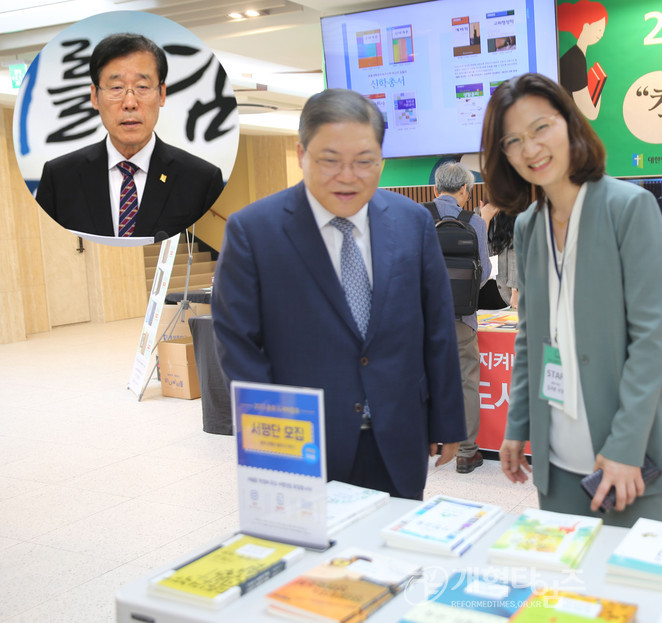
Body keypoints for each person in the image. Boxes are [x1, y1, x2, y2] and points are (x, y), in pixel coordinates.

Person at [212, 88, 466, 500]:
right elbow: (237, 345)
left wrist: (447, 420)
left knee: (391, 556)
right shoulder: (253, 231)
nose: (348, 176)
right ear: (302, 154)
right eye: (330, 160)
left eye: (364, 162)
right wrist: (274, 443)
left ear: (381, 161)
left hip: (398, 434)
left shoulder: (412, 223)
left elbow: (436, 327)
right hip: (304, 446)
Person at [480, 73, 662, 527]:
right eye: (513, 140)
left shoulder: (628, 208)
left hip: (629, 452)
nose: (531, 148)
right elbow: (529, 338)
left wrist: (624, 446)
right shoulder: (528, 226)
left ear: (570, 124)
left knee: (625, 592)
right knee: (564, 587)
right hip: (557, 449)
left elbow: (653, 340)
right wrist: (518, 425)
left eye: (541, 128)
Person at [35, 33, 223, 240]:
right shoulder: (60, 177)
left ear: (161, 94)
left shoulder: (201, 179)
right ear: (94, 97)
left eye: (142, 87)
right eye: (116, 88)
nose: (130, 103)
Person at [427, 161, 492, 474]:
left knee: (424, 378)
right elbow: (485, 272)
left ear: (435, 188)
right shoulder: (474, 221)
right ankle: (467, 453)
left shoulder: (419, 216)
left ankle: (428, 443)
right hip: (462, 319)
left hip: (424, 319)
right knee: (467, 381)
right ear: (465, 189)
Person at [557, 0, 607, 121]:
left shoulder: (575, 55)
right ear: (586, 26)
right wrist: (598, 89)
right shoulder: (575, 61)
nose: (601, 35)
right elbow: (591, 113)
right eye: (599, 29)